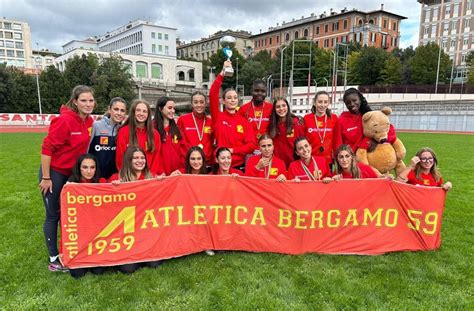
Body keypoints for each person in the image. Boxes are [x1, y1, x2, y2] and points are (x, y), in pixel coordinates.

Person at [39, 85, 95, 272]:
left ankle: (69, 251)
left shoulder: (89, 121)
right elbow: (47, 148)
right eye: (84, 100)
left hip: (72, 175)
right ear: (75, 102)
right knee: (53, 214)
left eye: (91, 100)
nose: (88, 104)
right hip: (54, 173)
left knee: (69, 214)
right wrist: (46, 178)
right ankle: (54, 258)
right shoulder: (64, 120)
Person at [110, 146, 164, 272]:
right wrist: (113, 190)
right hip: (127, 232)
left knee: (154, 264)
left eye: (142, 158)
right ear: (128, 160)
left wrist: (163, 183)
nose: (140, 161)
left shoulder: (152, 177)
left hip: (146, 230)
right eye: (136, 158)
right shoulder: (116, 179)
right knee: (128, 269)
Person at [209, 61, 256, 169]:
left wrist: (233, 150)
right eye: (229, 98)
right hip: (219, 166)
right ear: (223, 101)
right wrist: (222, 74)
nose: (232, 100)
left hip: (238, 166)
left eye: (235, 98)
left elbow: (252, 145)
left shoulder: (243, 121)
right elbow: (212, 95)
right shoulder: (218, 117)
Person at [67, 154, 107, 278]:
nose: (89, 171)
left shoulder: (102, 182)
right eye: (85, 167)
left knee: (98, 271)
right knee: (77, 273)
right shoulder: (71, 185)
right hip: (80, 232)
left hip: (97, 232)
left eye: (92, 167)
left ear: (96, 169)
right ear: (79, 168)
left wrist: (116, 185)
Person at [338, 88, 396, 153]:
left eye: (354, 100)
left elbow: (387, 129)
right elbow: (339, 144)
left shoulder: (371, 116)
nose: (352, 104)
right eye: (348, 103)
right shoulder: (341, 120)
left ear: (360, 99)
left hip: (371, 158)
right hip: (353, 160)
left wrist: (378, 141)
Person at [115, 99, 161, 175]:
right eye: (138, 110)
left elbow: (156, 159)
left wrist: (150, 176)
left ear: (148, 114)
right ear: (133, 112)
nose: (141, 113)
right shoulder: (124, 132)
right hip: (129, 178)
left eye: (144, 111)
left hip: (148, 178)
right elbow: (120, 158)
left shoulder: (155, 134)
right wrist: (127, 176)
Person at [89, 97, 127, 179]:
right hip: (94, 176)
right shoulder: (96, 125)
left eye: (122, 110)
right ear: (109, 110)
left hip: (114, 178)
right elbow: (87, 149)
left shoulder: (123, 130)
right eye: (116, 109)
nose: (119, 113)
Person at [177, 91, 214, 167]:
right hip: (190, 163)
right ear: (192, 104)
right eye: (196, 102)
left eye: (201, 102)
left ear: (205, 104)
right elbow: (180, 143)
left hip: (207, 163)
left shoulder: (211, 122)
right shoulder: (183, 120)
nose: (199, 105)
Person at [304, 91, 341, 166]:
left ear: (328, 103)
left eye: (325, 102)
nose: (323, 105)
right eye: (320, 102)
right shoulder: (307, 118)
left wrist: (337, 156)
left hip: (327, 161)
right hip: (311, 159)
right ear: (314, 102)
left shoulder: (333, 118)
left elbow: (337, 140)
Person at [268, 97, 304, 168]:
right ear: (274, 110)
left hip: (293, 164)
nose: (281, 109)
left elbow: (302, 143)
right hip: (277, 165)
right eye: (278, 107)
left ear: (288, 107)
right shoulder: (271, 125)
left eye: (284, 106)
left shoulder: (296, 123)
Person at [154, 96, 183, 175]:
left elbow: (183, 151)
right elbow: (151, 154)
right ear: (160, 109)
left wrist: (180, 170)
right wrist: (158, 171)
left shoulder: (177, 129)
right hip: (159, 176)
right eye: (169, 108)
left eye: (174, 108)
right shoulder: (152, 129)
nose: (173, 111)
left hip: (175, 175)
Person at [238, 79, 273, 144]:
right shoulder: (243, 109)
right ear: (251, 91)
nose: (259, 93)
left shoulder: (271, 108)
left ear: (266, 93)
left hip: (266, 148)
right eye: (256, 90)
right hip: (249, 148)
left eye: (263, 91)